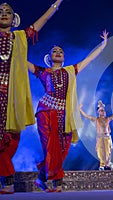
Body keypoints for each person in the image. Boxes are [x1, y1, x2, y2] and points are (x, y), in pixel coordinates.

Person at [27, 30, 109, 192]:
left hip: (64, 115)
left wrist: (103, 45)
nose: (58, 52)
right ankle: (56, 183)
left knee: (63, 148)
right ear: (49, 58)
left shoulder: (71, 71)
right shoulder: (42, 72)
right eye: (54, 51)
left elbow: (89, 59)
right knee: (51, 146)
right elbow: (22, 61)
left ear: (64, 58)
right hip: (45, 113)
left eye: (61, 51)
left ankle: (42, 177)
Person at [0, 0, 63, 194]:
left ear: (14, 19)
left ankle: (7, 182)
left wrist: (56, 5)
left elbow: (41, 21)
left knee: (9, 137)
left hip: (11, 94)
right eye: (0, 11)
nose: (3, 13)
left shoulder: (18, 37)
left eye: (8, 12)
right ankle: (7, 180)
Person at [79, 100, 113, 171]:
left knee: (108, 151)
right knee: (100, 151)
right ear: (99, 112)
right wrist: (80, 109)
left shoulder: (107, 119)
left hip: (107, 137)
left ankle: (108, 163)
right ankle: (102, 164)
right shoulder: (96, 120)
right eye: (101, 110)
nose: (103, 112)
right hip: (100, 138)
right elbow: (87, 116)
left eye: (104, 111)